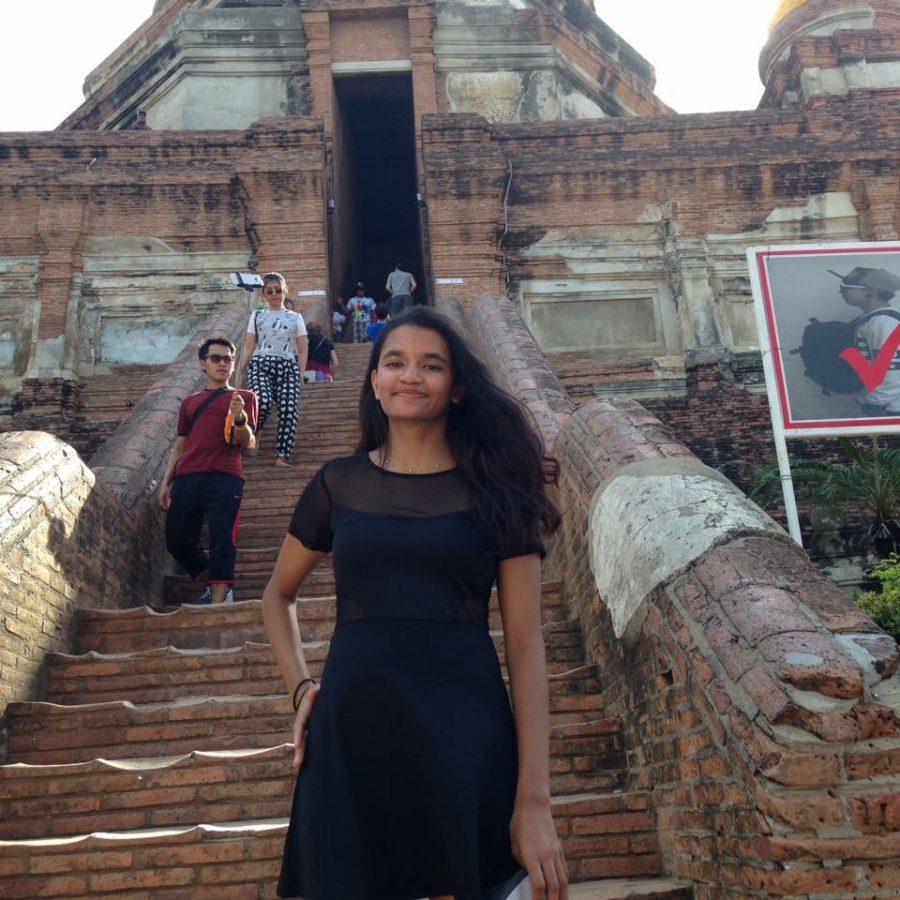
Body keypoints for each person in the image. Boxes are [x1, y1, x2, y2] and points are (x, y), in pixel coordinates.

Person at [262, 306, 568, 900]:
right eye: (395, 362)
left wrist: (535, 802)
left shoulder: (499, 488)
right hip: (352, 730)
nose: (410, 376)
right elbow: (277, 595)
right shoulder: (338, 484)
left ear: (456, 389)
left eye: (432, 365)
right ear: (373, 380)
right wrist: (301, 688)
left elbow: (527, 646)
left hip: (466, 730)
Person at [158, 337, 258, 605]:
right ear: (203, 364)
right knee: (177, 540)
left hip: (226, 476)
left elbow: (246, 441)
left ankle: (217, 600)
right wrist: (166, 482)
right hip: (188, 476)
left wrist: (240, 417)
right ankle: (215, 583)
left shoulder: (245, 397)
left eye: (228, 359)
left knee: (222, 538)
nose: (223, 363)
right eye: (216, 358)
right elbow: (181, 444)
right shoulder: (190, 402)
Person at [238, 272, 309, 468]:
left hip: (288, 367)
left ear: (284, 291)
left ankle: (281, 456)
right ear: (264, 294)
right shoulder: (258, 315)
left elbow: (303, 348)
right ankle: (253, 432)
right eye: (270, 291)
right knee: (263, 401)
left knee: (288, 410)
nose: (275, 294)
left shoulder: (296, 317)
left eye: (278, 290)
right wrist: (239, 370)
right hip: (261, 364)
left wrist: (300, 374)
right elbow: (249, 345)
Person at [839, 266, 900, 414]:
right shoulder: (873, 319)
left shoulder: (884, 322)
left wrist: (876, 405)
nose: (841, 292)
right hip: (881, 403)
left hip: (888, 408)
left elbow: (890, 371)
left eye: (846, 288)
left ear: (870, 291)